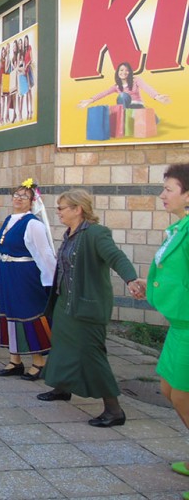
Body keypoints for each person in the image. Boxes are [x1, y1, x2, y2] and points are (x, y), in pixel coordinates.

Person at [37, 189, 141, 428]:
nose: (58, 212)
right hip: (66, 302)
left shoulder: (96, 234)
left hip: (87, 306)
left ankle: (114, 411)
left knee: (92, 355)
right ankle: (63, 388)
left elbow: (116, 257)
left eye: (62, 208)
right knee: (62, 347)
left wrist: (131, 279)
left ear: (77, 209)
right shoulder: (71, 233)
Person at [136, 164, 189, 485]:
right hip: (180, 327)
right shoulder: (180, 227)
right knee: (170, 390)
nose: (162, 195)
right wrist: (150, 283)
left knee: (182, 395)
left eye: (169, 189)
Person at [0, 180, 56, 380]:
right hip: (8, 272)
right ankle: (15, 360)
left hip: (25, 274)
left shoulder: (33, 223)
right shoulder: (9, 219)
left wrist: (51, 282)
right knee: (9, 312)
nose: (18, 199)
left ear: (32, 201)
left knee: (28, 313)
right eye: (16, 195)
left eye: (24, 196)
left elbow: (44, 254)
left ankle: (39, 362)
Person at [78, 61, 171, 111]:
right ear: (118, 72)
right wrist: (90, 100)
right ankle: (123, 117)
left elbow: (146, 87)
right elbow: (104, 93)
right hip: (125, 108)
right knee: (122, 96)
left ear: (130, 72)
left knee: (153, 119)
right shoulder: (116, 86)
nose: (124, 72)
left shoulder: (136, 80)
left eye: (126, 70)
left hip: (137, 106)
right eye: (121, 70)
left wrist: (157, 96)